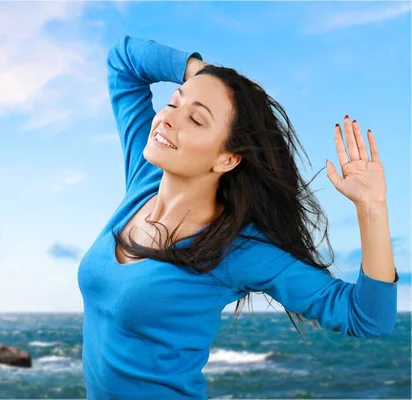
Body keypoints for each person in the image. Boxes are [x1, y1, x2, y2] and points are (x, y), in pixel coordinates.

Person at [77, 35, 399, 400]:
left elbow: (368, 318)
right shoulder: (144, 178)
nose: (166, 118)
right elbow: (123, 62)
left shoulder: (239, 250)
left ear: (227, 159)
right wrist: (204, 74)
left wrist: (372, 207)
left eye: (196, 119)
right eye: (173, 102)